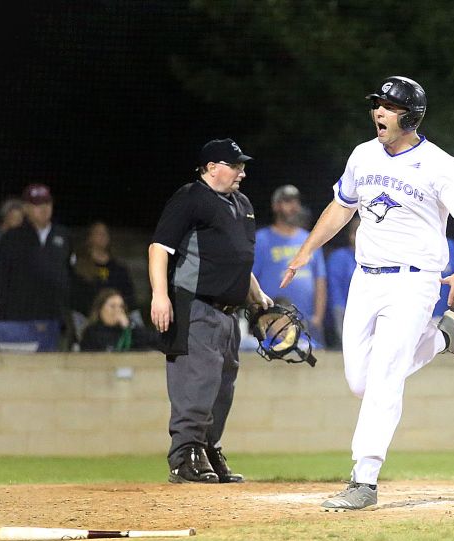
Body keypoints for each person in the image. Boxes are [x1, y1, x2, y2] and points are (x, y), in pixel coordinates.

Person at [281, 75, 454, 511]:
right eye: (376, 103)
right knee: (360, 381)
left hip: (414, 281)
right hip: (366, 278)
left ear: (409, 116)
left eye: (388, 106)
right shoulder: (362, 155)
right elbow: (342, 206)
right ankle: (441, 338)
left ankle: (364, 479)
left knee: (384, 381)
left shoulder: (440, 164)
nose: (378, 111)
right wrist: (305, 251)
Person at [148, 138, 273, 484]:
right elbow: (159, 247)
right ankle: (184, 454)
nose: (242, 173)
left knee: (222, 385)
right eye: (236, 166)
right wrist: (160, 296)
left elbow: (236, 256)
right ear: (212, 168)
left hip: (230, 311)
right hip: (195, 305)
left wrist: (257, 294)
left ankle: (207, 447)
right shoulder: (190, 197)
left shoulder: (242, 203)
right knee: (197, 381)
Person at [253, 184, 327, 345]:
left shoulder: (310, 239)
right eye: (287, 201)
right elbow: (251, 278)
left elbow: (320, 280)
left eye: (296, 202)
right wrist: (256, 314)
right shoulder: (261, 239)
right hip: (273, 321)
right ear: (276, 206)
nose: (294, 207)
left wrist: (318, 317)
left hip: (306, 320)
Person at [0, 184, 75, 328]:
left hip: (56, 317)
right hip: (21, 317)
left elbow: (69, 274)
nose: (44, 208)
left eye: (47, 203)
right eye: (37, 204)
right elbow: (2, 279)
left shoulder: (63, 235)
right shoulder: (12, 238)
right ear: (25, 208)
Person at [71, 221, 138, 320]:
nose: (102, 236)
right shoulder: (80, 268)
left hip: (116, 319)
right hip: (89, 320)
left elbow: (129, 297)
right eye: (98, 233)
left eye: (105, 233)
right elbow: (76, 300)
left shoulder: (119, 269)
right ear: (90, 237)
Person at [79, 288, 158, 352]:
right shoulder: (91, 332)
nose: (118, 310)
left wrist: (128, 328)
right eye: (112, 306)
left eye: (121, 306)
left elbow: (149, 342)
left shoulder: (131, 329)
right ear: (100, 309)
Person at [325, 214, 360, 348]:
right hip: (344, 316)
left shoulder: (381, 259)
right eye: (355, 233)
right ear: (351, 236)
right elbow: (336, 296)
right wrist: (343, 331)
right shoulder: (339, 258)